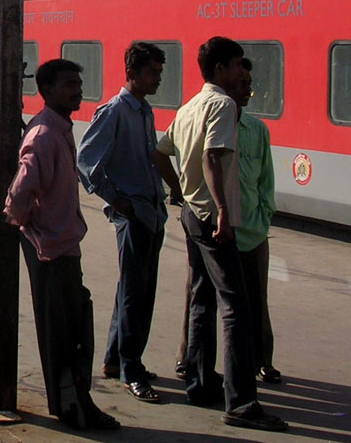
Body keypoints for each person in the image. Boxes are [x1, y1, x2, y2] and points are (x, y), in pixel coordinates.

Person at [154, 37, 286, 432]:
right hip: (214, 217)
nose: (242, 73)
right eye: (236, 66)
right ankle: (242, 403)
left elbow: (161, 151)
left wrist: (177, 190)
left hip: (192, 214)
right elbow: (214, 155)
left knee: (201, 298)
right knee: (236, 307)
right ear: (220, 69)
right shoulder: (224, 105)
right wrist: (225, 210)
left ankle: (199, 382)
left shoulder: (191, 105)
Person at [4, 59, 119, 431]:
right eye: (69, 84)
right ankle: (72, 406)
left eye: (78, 82)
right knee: (64, 334)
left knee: (70, 328)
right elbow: (21, 190)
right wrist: (23, 226)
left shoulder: (58, 128)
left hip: (62, 243)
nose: (77, 90)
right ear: (48, 90)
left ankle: (71, 402)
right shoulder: (44, 135)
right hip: (51, 249)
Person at [77, 42, 167, 403]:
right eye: (152, 73)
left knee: (137, 290)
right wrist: (117, 200)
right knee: (134, 294)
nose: (158, 80)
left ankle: (116, 359)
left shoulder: (144, 112)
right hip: (133, 216)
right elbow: (86, 162)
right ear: (131, 74)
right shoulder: (115, 111)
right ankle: (133, 368)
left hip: (151, 212)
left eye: (160, 73)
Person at [232, 61, 281, 385]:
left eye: (250, 86)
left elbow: (266, 178)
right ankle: (187, 358)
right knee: (203, 302)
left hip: (252, 230)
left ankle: (264, 361)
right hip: (217, 230)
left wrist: (264, 215)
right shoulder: (213, 124)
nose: (248, 93)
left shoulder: (257, 130)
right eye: (243, 86)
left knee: (257, 299)